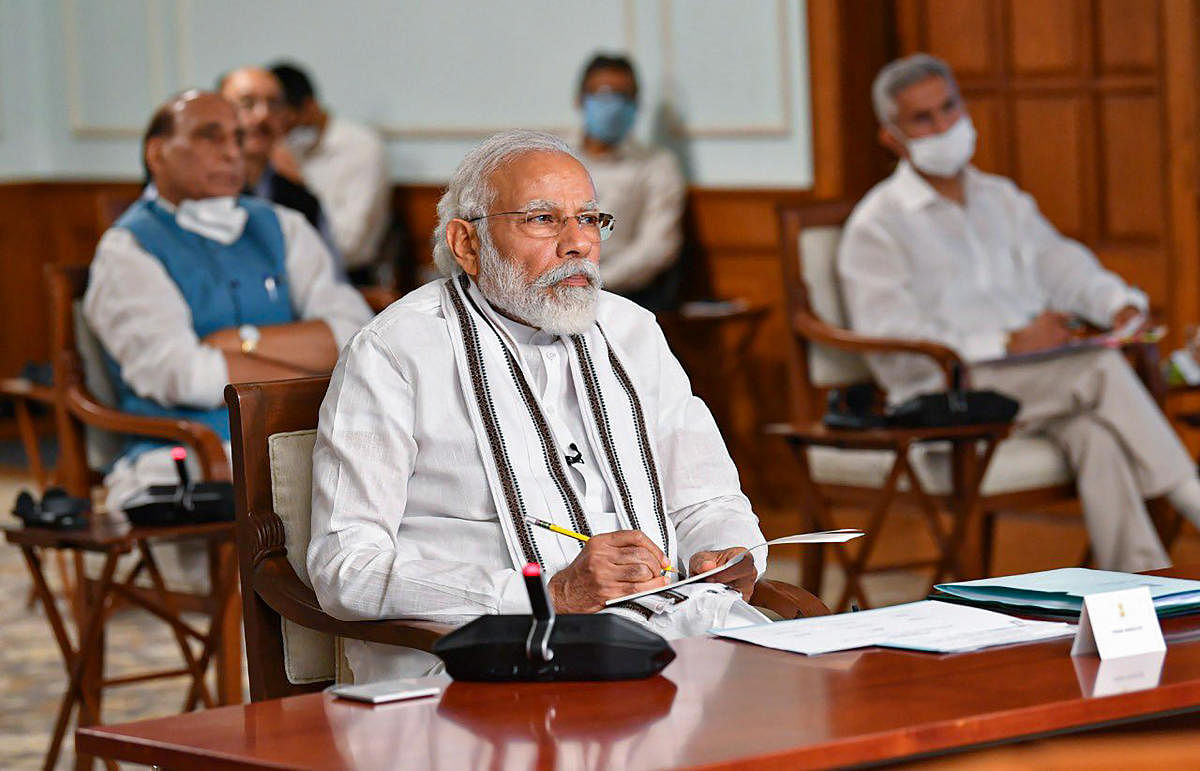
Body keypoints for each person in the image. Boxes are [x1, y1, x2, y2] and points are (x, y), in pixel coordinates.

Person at [308, 130, 766, 683]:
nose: (577, 243)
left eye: (590, 219)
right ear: (467, 243)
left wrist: (726, 550)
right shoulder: (393, 353)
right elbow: (345, 569)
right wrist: (549, 593)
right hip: (485, 659)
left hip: (665, 636)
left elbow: (708, 500)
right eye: (542, 220)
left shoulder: (633, 331)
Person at [838, 53, 1200, 572]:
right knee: (1097, 369)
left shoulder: (1000, 198)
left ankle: (1141, 587)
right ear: (892, 137)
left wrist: (1116, 302)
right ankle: (1191, 498)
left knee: (1095, 435)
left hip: (1036, 389)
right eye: (923, 118)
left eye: (949, 108)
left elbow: (1060, 264)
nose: (944, 126)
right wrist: (1006, 342)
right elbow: (893, 341)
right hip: (946, 393)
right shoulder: (878, 224)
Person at [84, 90, 372, 516]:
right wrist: (313, 370)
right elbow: (184, 376)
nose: (232, 152)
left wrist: (237, 342)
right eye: (209, 136)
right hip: (192, 449)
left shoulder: (282, 225)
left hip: (304, 438)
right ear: (157, 152)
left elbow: (355, 336)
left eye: (238, 138)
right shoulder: (128, 249)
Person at [573, 53, 685, 310]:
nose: (612, 106)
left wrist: (595, 281)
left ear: (636, 104)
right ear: (580, 99)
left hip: (620, 294)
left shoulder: (656, 165)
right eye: (603, 95)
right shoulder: (554, 155)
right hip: (552, 284)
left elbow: (658, 247)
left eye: (623, 97)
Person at [270, 62, 391, 279]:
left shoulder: (360, 147)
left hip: (346, 274)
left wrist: (299, 186)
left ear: (308, 106)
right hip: (286, 270)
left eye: (287, 121)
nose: (282, 131)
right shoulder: (285, 146)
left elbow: (349, 247)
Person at [218, 66, 340, 262]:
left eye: (274, 104)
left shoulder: (302, 201)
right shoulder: (196, 195)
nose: (263, 115)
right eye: (247, 103)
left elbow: (329, 278)